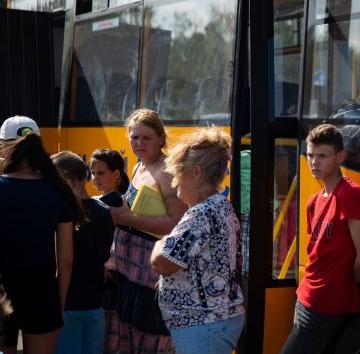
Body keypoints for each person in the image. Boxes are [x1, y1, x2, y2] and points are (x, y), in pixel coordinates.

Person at [280, 124, 360, 354]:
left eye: (322, 156)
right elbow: (317, 254)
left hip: (326, 304)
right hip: (306, 296)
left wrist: (354, 283)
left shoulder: (350, 194)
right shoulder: (313, 201)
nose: (314, 162)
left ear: (340, 157)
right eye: (310, 155)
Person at [150, 127, 245, 354]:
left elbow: (163, 262)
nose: (174, 181)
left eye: (178, 172)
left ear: (196, 172)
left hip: (204, 324)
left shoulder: (202, 214)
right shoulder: (219, 206)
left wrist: (158, 244)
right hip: (212, 322)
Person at [0, 116, 83, 354]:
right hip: (41, 292)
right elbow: (66, 261)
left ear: (3, 146)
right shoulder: (57, 190)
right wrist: (60, 304)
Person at [106, 109, 186, 353]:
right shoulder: (140, 166)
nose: (139, 144)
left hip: (150, 276)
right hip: (127, 271)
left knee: (148, 339)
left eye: (146, 138)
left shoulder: (167, 170)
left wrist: (128, 218)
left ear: (161, 139)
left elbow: (177, 222)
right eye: (134, 138)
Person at [51, 151, 114, 354]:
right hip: (95, 303)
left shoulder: (63, 213)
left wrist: (59, 303)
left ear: (66, 179)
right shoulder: (105, 211)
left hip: (69, 304)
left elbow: (65, 263)